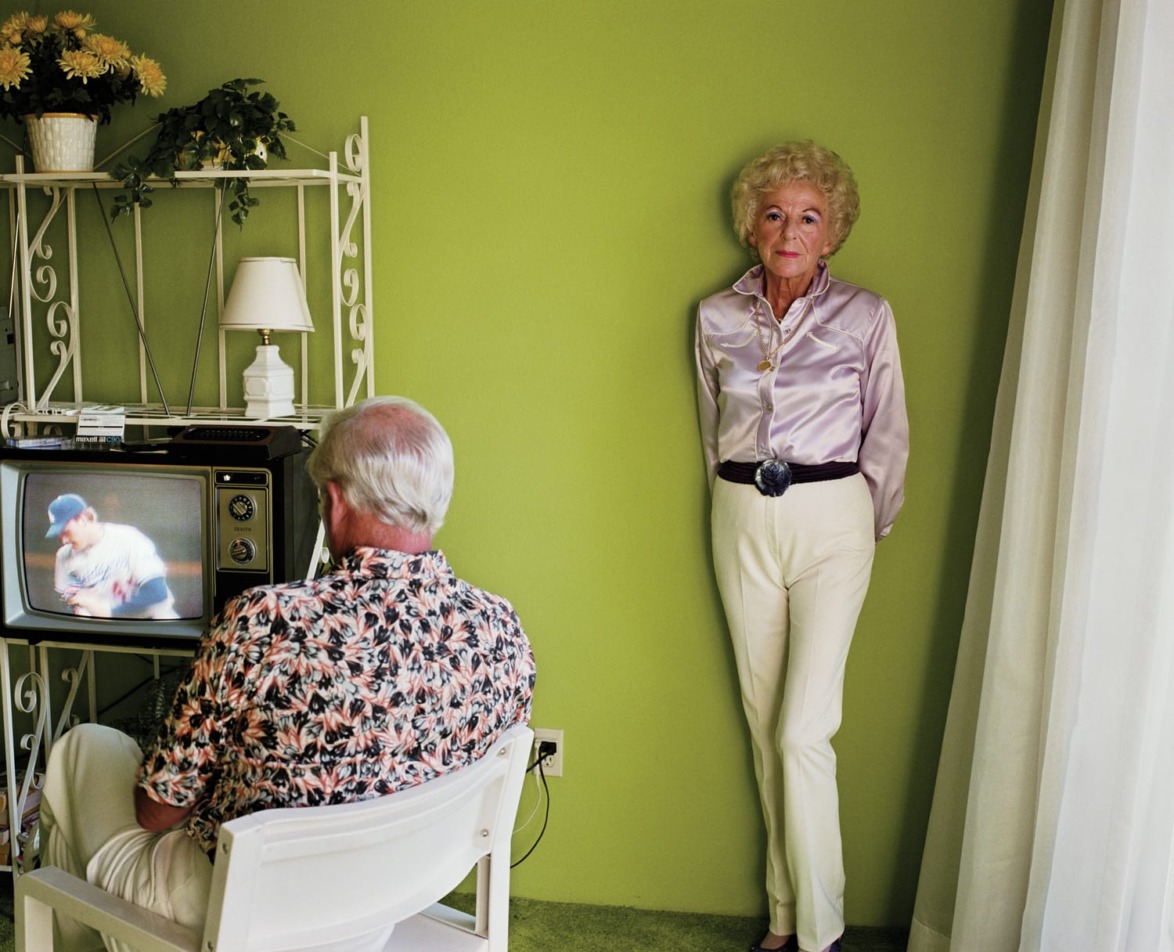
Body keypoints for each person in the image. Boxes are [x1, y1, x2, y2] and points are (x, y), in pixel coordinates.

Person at [37, 396, 537, 951]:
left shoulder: (265, 621)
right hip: (392, 896)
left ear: (334, 500)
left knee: (79, 752)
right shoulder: (500, 625)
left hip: (244, 911)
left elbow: (158, 810)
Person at [694, 141, 908, 952]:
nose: (791, 230)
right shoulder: (715, 317)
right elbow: (708, 427)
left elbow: (888, 431)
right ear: (753, 227)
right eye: (776, 214)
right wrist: (731, 497)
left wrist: (862, 523)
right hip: (740, 511)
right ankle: (783, 918)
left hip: (834, 516)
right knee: (762, 724)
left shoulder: (867, 315)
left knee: (801, 731)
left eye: (809, 217)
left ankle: (822, 934)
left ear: (832, 232)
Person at [47, 493, 178, 619]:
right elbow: (67, 601)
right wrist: (78, 609)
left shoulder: (129, 538)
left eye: (66, 531)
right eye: (59, 534)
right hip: (110, 628)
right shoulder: (64, 555)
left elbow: (157, 593)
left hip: (156, 622)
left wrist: (108, 612)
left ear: (83, 519)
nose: (64, 540)